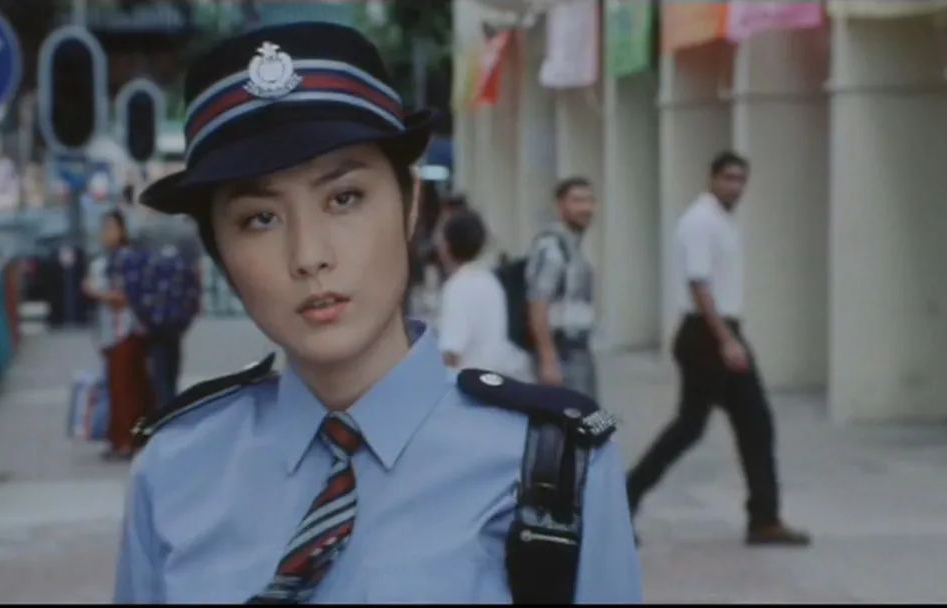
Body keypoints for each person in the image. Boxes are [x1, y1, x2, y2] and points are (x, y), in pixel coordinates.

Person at [113, 22, 641, 604]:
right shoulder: (174, 471)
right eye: (260, 219)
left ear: (410, 204)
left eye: (344, 199)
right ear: (220, 251)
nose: (309, 256)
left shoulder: (551, 465)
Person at [625, 152, 811, 547]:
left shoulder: (723, 221)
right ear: (711, 178)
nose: (735, 186)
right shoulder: (700, 221)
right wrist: (726, 340)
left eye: (741, 179)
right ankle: (623, 500)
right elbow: (699, 283)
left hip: (719, 332)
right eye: (728, 178)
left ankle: (764, 518)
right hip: (706, 335)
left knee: (753, 423)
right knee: (691, 427)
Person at [82, 211, 157, 461]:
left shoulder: (125, 259)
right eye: (104, 229)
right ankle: (123, 439)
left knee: (126, 387)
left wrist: (95, 293)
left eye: (111, 228)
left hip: (126, 330)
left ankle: (128, 441)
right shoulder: (106, 259)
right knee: (121, 387)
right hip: (113, 332)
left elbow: (123, 298)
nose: (106, 234)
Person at [121, 187, 204, 411]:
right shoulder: (186, 232)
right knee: (173, 350)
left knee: (157, 356)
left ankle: (163, 401)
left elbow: (133, 271)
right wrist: (196, 302)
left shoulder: (143, 232)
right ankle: (172, 396)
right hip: (177, 306)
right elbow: (195, 270)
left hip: (151, 308)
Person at [525, 177, 598, 399]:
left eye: (589, 201)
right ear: (560, 206)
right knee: (571, 415)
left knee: (588, 414)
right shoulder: (551, 247)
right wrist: (548, 359)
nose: (585, 208)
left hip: (579, 349)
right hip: (562, 350)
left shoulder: (573, 245)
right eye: (577, 201)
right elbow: (538, 302)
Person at [436, 209, 531, 380]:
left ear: (447, 246)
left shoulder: (458, 286)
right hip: (494, 378)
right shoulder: (490, 281)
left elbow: (452, 350)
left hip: (467, 382)